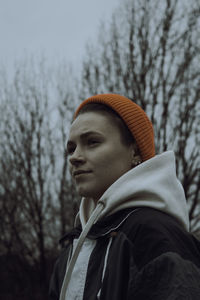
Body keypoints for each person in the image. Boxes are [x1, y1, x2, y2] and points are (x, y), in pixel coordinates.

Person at [49, 94, 200, 300]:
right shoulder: (72, 252)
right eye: (71, 148)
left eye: (92, 142)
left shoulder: (153, 236)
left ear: (135, 151)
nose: (74, 157)